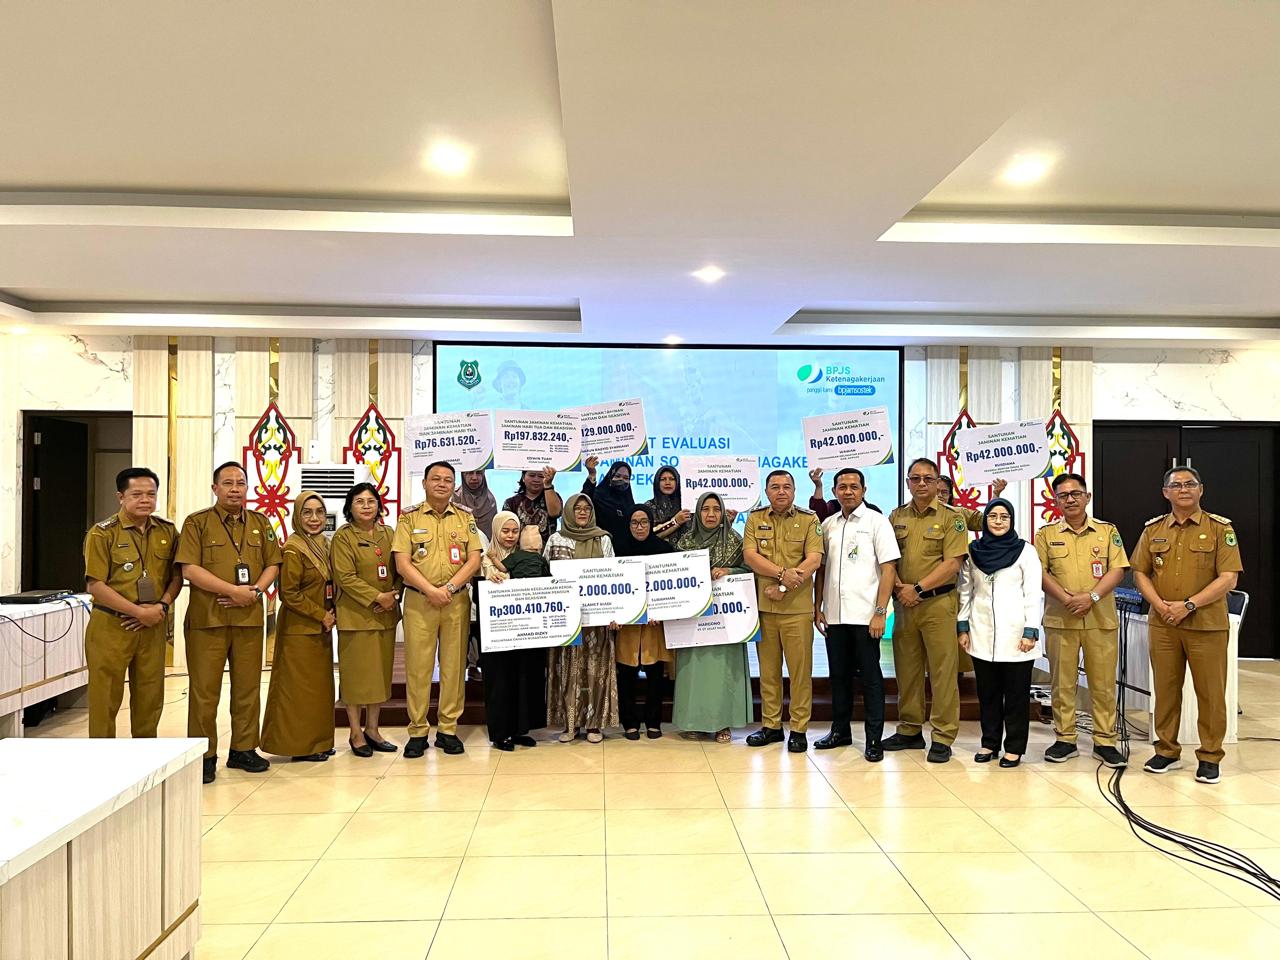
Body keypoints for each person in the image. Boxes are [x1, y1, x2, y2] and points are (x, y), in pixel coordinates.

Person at [1131, 466, 1242, 785]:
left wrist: (1189, 604)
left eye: (1190, 484)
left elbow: (1229, 578)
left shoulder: (1220, 528)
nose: (1183, 489)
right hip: (1164, 624)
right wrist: (1160, 604)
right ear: (1165, 492)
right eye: (1176, 485)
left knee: (1210, 693)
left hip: (1206, 625)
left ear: (1201, 490)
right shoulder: (1153, 530)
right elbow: (1140, 573)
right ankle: (1166, 751)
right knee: (1165, 691)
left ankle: (1210, 756)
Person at [177, 461, 282, 783]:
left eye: (240, 483)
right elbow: (189, 569)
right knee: (204, 692)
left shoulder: (261, 523)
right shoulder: (197, 523)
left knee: (248, 688)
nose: (235, 489)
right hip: (208, 620)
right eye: (228, 483)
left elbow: (273, 563)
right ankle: (204, 755)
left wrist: (256, 590)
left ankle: (243, 749)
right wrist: (231, 591)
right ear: (215, 488)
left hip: (248, 618)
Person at [1034, 473, 1129, 768]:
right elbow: (1040, 572)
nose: (1070, 499)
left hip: (1100, 618)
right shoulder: (1045, 534)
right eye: (1063, 495)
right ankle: (1065, 739)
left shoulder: (1107, 531)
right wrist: (1068, 599)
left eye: (1076, 493)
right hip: (1061, 619)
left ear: (1087, 497)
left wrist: (1092, 597)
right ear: (1056, 501)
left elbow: (1118, 569)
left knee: (1103, 683)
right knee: (1062, 683)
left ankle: (1105, 741)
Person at [82, 467, 182, 739]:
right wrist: (137, 612)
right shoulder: (103, 533)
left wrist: (162, 606)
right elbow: (96, 585)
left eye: (151, 494)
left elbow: (176, 577)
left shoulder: (167, 531)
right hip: (112, 625)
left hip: (152, 625)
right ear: (121, 497)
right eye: (136, 494)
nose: (145, 500)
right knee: (105, 699)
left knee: (150, 697)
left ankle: (145, 755)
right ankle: (103, 756)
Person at [392, 461, 483, 757]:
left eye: (447, 480)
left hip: (456, 601)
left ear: (453, 486)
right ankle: (418, 731)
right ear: (425, 483)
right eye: (436, 479)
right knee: (418, 668)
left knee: (454, 668)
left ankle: (447, 730)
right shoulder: (408, 518)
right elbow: (402, 563)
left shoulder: (465, 517)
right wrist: (431, 590)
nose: (442, 484)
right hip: (420, 601)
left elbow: (474, 559)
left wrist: (450, 589)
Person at [883, 458, 969, 763]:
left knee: (943, 672)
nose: (921, 483)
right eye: (915, 478)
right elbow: (888, 559)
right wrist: (899, 588)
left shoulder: (952, 517)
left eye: (927, 479)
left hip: (938, 604)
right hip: (904, 604)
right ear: (908, 482)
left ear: (936, 483)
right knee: (907, 670)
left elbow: (953, 563)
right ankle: (909, 729)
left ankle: (943, 736)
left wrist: (916, 589)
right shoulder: (896, 517)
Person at [813, 467, 900, 761]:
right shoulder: (828, 525)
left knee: (871, 679)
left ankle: (874, 739)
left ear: (864, 490)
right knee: (838, 677)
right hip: (835, 617)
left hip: (866, 617)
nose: (848, 491)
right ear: (834, 491)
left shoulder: (877, 522)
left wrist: (880, 612)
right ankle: (840, 731)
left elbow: (889, 569)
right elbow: (821, 570)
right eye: (842, 487)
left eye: (854, 486)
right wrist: (817, 607)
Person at [957, 499, 1043, 767]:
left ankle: (1014, 747)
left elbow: (1032, 593)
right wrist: (963, 626)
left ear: (1011, 520)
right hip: (981, 632)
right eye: (992, 516)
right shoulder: (973, 552)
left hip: (1017, 633)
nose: (997, 521)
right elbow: (965, 591)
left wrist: (1030, 630)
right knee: (988, 694)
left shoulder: (1025, 551)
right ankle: (989, 743)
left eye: (1004, 517)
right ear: (984, 521)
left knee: (1016, 696)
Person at [743, 470, 824, 752]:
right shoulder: (755, 518)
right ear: (766, 491)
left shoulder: (809, 519)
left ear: (794, 490)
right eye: (775, 487)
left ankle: (799, 729)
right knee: (768, 673)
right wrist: (781, 575)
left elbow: (814, 559)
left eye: (786, 486)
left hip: (797, 610)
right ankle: (772, 726)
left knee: (800, 673)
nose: (781, 491)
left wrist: (784, 586)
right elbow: (750, 556)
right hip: (765, 609)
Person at [261, 491, 337, 762]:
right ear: (297, 516)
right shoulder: (294, 548)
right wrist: (321, 614)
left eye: (319, 512)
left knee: (318, 690)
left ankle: (318, 742)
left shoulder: (325, 545)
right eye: (307, 512)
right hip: (299, 629)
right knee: (298, 691)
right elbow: (289, 593)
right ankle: (300, 747)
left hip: (320, 629)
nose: (314, 518)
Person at [672, 493, 753, 742]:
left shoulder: (735, 540)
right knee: (694, 672)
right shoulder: (685, 542)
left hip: (726, 619)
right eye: (705, 509)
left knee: (723, 672)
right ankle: (694, 721)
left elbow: (749, 570)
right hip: (694, 621)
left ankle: (723, 723)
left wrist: (729, 570)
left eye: (716, 509)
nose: (710, 514)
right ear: (697, 513)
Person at [330, 482, 401, 757]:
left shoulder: (389, 533)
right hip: (356, 617)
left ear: (379, 505)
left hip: (385, 616)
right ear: (350, 506)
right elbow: (344, 577)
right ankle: (355, 733)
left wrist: (393, 595)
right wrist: (376, 597)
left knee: (379, 677)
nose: (366, 506)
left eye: (371, 501)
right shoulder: (343, 537)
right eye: (359, 501)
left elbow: (400, 567)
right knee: (356, 678)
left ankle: (373, 729)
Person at [544, 492, 620, 742]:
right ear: (568, 511)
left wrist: (615, 612)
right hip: (566, 621)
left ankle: (594, 725)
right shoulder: (556, 539)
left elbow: (613, 577)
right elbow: (545, 576)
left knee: (595, 671)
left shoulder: (603, 539)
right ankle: (571, 724)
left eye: (587, 508)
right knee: (568, 671)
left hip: (596, 621)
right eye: (577, 508)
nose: (583, 512)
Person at [480, 515, 548, 751]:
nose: (510, 536)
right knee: (500, 680)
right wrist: (491, 578)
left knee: (524, 678)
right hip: (497, 633)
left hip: (525, 630)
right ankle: (501, 733)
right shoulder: (485, 559)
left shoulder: (526, 557)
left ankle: (520, 730)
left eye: (514, 531)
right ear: (496, 530)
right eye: (505, 531)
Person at [614, 504, 674, 739]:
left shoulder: (664, 550)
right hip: (627, 627)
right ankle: (629, 723)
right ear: (628, 525)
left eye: (644, 522)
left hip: (654, 626)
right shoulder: (618, 550)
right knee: (626, 675)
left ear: (651, 524)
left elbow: (671, 588)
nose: (639, 527)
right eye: (634, 522)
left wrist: (662, 610)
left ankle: (653, 722)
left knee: (655, 675)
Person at [455, 469, 496, 682]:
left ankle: (474, 665)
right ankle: (455, 669)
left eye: (478, 473)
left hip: (483, 567)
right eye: (469, 473)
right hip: (455, 570)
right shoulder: (454, 498)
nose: (474, 478)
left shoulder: (490, 500)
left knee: (477, 624)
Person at [501, 466, 563, 543]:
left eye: (541, 476)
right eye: (532, 475)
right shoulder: (511, 503)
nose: (536, 479)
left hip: (547, 548)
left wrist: (548, 485)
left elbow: (555, 513)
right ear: (523, 477)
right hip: (518, 548)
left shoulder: (553, 497)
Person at [582, 456, 634, 543]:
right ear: (610, 477)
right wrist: (592, 474)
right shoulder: (598, 496)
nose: (622, 480)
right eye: (617, 476)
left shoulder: (629, 503)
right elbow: (584, 499)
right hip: (600, 545)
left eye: (626, 478)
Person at [939, 475, 1007, 531]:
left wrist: (996, 494)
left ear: (949, 496)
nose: (940, 495)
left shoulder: (960, 514)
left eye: (944, 492)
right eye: (936, 491)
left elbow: (986, 521)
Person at [647, 465, 692, 542]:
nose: (667, 483)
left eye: (672, 479)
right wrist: (675, 522)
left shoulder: (687, 505)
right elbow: (648, 534)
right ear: (657, 483)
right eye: (663, 479)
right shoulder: (649, 506)